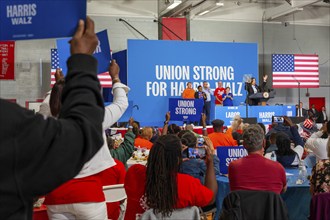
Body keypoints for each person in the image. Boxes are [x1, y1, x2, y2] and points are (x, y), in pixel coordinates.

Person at [0, 17, 106, 219]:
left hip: (59, 199)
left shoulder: (39, 114)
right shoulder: (9, 124)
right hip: (85, 195)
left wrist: (56, 90)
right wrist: (82, 63)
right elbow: (82, 134)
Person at [44, 53, 129, 219]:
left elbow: (49, 102)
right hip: (87, 194)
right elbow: (121, 103)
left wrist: (58, 85)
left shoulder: (46, 118)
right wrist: (115, 77)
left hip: (56, 194)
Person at [124, 135, 217, 219]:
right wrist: (210, 163)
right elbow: (211, 198)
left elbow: (155, 173)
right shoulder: (187, 184)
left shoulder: (134, 173)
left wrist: (169, 163)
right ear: (177, 160)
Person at [228, 124, 287, 194]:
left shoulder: (233, 167)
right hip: (269, 205)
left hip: (243, 204)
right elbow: (283, 190)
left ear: (243, 144)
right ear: (264, 143)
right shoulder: (278, 168)